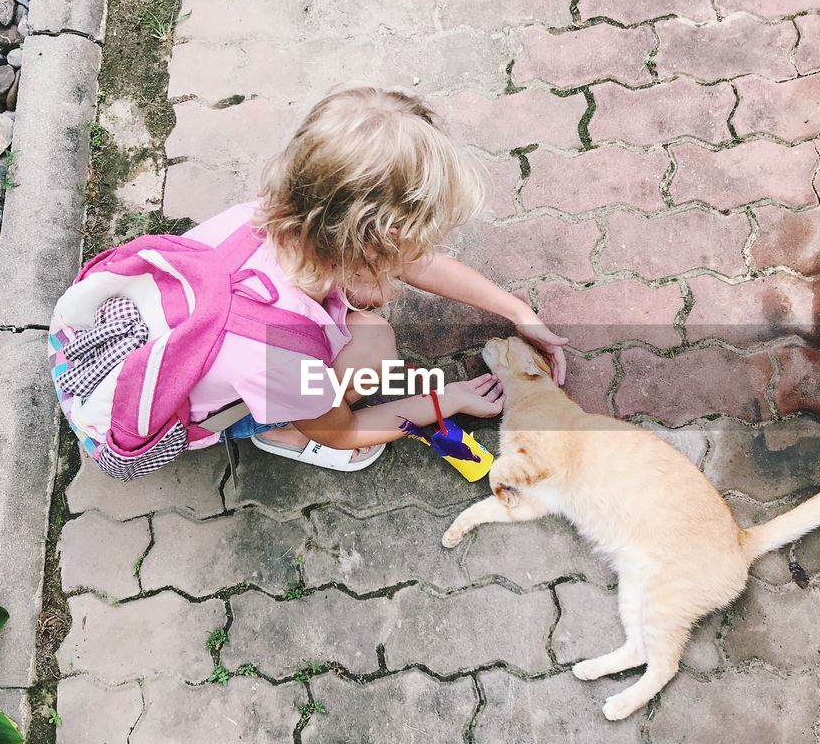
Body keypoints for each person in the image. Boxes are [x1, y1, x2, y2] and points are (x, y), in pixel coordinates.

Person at [184, 86, 570, 471]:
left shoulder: (268, 215)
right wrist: (445, 401)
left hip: (215, 342)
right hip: (215, 408)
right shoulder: (285, 358)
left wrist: (516, 310)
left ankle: (297, 411)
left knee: (365, 322)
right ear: (376, 243)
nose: (419, 254)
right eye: (412, 241)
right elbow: (343, 432)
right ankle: (284, 431)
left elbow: (412, 262)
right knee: (374, 342)